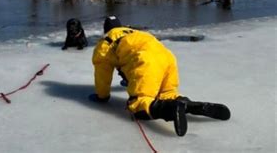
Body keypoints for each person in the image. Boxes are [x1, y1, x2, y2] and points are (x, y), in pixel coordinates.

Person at [89, 16, 230, 137]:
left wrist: (102, 96)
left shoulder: (106, 42)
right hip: (167, 57)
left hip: (145, 61)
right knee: (167, 93)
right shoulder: (135, 33)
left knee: (139, 104)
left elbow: (103, 74)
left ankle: (172, 109)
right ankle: (188, 105)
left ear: (106, 29)